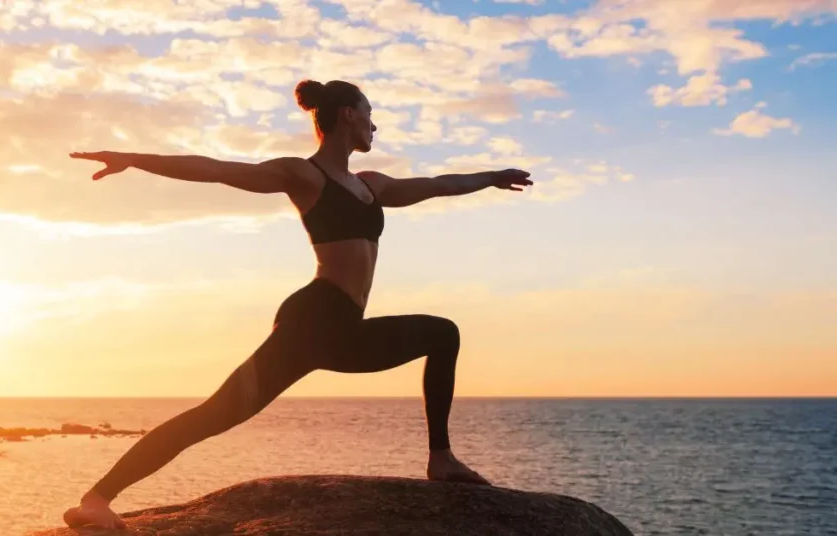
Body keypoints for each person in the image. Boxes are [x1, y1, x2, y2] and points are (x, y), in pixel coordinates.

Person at [63, 79, 533, 529]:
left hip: (347, 329)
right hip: (311, 324)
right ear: (348, 115)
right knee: (216, 414)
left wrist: (492, 177)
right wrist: (132, 159)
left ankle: (441, 459)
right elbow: (217, 169)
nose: (375, 125)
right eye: (370, 115)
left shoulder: (372, 185)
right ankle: (97, 499)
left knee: (442, 333)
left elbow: (437, 184)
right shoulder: (303, 175)